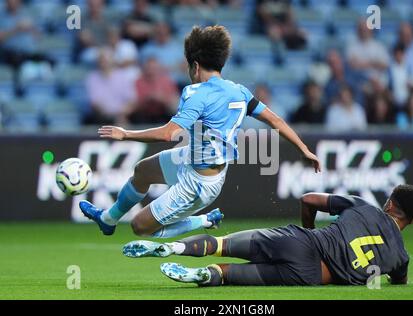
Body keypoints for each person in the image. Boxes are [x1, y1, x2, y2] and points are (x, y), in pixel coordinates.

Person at [79, 26, 321, 239]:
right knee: (142, 170)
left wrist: (125, 134)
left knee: (139, 226)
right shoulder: (239, 91)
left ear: (194, 66)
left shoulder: (195, 93)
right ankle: (108, 220)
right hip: (193, 159)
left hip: (199, 183)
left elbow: (168, 134)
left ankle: (205, 221)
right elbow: (275, 120)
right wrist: (304, 149)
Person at [122, 184, 413, 287]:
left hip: (303, 241)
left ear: (388, 204)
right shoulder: (401, 257)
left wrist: (309, 232)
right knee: (229, 275)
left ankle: (173, 246)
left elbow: (308, 199)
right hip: (310, 275)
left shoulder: (364, 207)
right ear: (411, 220)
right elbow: (399, 281)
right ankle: (202, 275)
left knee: (223, 244)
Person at [85, 48, 136, 125]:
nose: (104, 62)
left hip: (121, 116)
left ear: (112, 60)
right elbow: (95, 103)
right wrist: (113, 114)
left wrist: (121, 114)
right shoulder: (92, 78)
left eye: (106, 59)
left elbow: (131, 100)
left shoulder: (123, 76)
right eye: (101, 59)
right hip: (102, 117)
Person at [129, 57, 179, 124]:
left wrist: (162, 98)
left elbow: (174, 99)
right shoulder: (139, 82)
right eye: (149, 68)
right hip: (144, 114)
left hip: (164, 113)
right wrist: (148, 98)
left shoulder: (166, 81)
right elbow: (135, 102)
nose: (151, 71)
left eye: (154, 68)